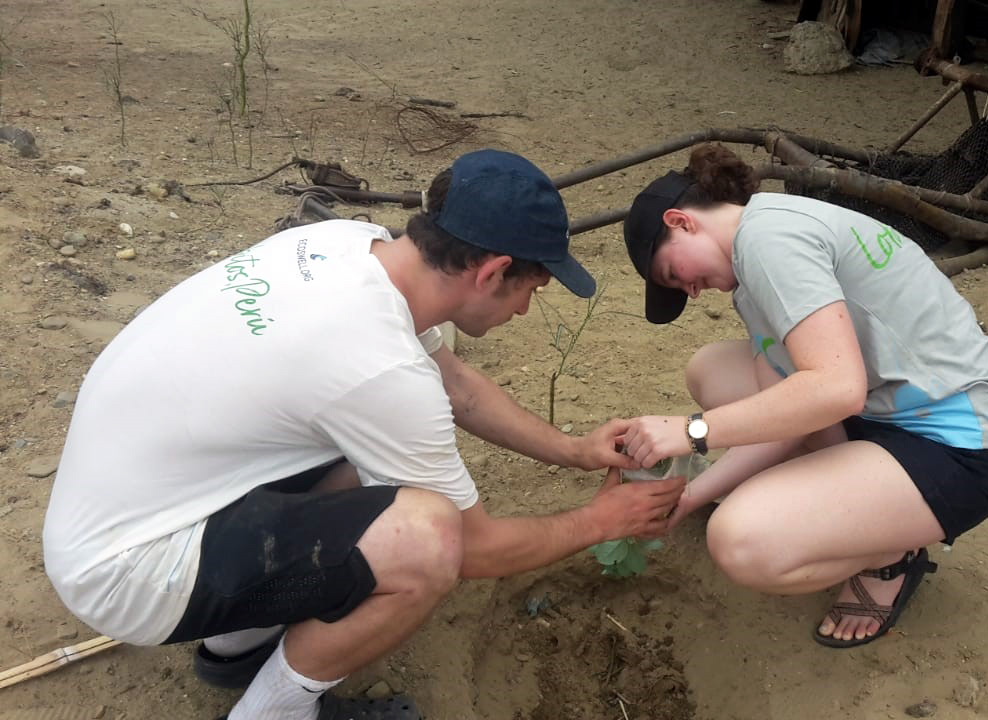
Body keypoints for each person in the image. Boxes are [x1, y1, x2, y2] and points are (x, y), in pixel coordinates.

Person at [42, 149, 684, 720]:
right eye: (531, 290)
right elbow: (475, 551)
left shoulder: (348, 246)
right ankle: (274, 712)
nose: (524, 308)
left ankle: (235, 646)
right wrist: (600, 521)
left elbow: (456, 385)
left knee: (369, 463)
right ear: (492, 272)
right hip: (129, 573)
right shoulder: (377, 365)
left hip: (127, 509)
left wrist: (573, 450)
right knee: (429, 538)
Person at [617, 143, 988, 648]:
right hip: (885, 410)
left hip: (960, 449)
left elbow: (835, 388)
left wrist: (691, 431)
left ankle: (890, 556)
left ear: (680, 222)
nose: (691, 291)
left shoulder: (770, 240)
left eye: (671, 275)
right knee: (713, 370)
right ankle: (850, 506)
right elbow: (787, 417)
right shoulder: (754, 254)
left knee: (740, 543)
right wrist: (688, 497)